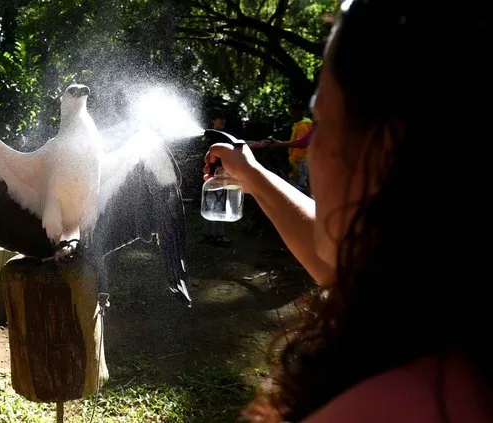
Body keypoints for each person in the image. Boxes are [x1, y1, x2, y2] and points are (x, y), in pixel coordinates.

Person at [203, 0, 491, 422]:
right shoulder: (438, 311)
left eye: (321, 121)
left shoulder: (393, 404)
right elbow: (342, 261)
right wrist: (251, 175)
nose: (312, 145)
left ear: (380, 155)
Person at [202, 109, 231, 246]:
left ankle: (208, 234)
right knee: (219, 204)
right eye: (219, 118)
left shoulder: (211, 135)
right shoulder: (216, 136)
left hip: (211, 175)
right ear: (213, 120)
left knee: (211, 204)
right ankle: (218, 236)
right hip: (218, 174)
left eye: (223, 118)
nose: (223, 121)